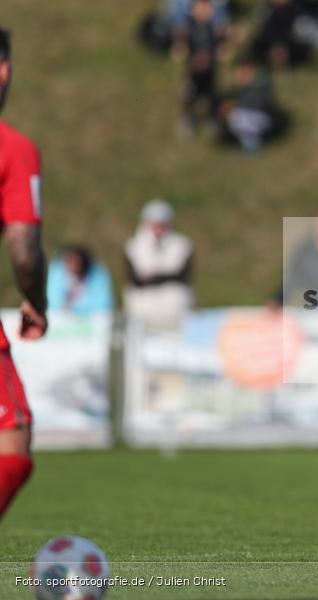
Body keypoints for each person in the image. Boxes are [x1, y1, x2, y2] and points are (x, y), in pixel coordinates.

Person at [0, 27, 48, 520]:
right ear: (4, 70)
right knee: (11, 442)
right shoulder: (10, 147)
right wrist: (38, 299)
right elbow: (23, 248)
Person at [124, 199, 194, 330]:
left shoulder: (182, 245)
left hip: (173, 307)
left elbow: (182, 276)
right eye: (155, 224)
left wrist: (153, 276)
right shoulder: (133, 247)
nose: (159, 229)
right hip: (143, 308)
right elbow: (134, 279)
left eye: (162, 224)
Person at [173, 0, 229, 134]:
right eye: (200, 8)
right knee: (189, 95)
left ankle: (212, 119)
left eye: (207, 7)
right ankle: (187, 119)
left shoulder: (214, 28)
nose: (204, 11)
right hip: (193, 72)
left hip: (210, 72)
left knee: (211, 96)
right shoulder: (189, 27)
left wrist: (224, 46)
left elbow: (222, 48)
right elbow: (180, 47)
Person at [217, 56, 289, 152]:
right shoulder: (240, 88)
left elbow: (259, 105)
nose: (238, 75)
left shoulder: (261, 83)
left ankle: (252, 143)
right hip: (252, 118)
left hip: (265, 119)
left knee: (235, 117)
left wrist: (234, 106)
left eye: (241, 71)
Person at [46, 246, 114, 315]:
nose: (72, 266)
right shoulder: (57, 271)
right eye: (69, 261)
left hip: (91, 317)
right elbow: (52, 302)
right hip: (64, 317)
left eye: (76, 262)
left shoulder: (97, 273)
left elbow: (103, 304)